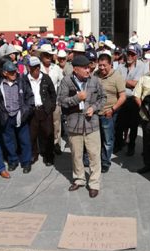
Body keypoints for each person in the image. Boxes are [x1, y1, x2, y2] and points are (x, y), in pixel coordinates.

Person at [57, 55, 106, 198]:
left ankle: (94, 183)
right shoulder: (66, 81)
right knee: (76, 155)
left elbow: (103, 98)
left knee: (94, 155)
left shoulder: (95, 80)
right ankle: (79, 179)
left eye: (89, 67)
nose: (88, 70)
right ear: (76, 69)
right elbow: (61, 101)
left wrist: (94, 108)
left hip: (92, 124)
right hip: (74, 124)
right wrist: (77, 98)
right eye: (84, 68)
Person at [0, 61, 33, 174]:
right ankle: (13, 161)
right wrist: (0, 112)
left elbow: (30, 97)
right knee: (8, 141)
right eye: (11, 72)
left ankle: (26, 162)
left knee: (24, 140)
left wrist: (25, 111)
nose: (14, 74)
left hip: (20, 115)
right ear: (5, 73)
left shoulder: (22, 82)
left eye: (14, 72)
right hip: (6, 116)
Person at [94, 53, 126, 173]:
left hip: (109, 113)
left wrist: (112, 110)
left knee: (108, 139)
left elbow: (122, 97)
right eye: (100, 65)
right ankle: (96, 159)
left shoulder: (117, 76)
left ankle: (105, 162)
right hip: (96, 112)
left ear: (110, 64)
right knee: (97, 138)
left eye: (104, 65)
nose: (101, 68)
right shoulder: (95, 75)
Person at [26, 56, 56, 166]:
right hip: (32, 110)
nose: (36, 69)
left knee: (48, 133)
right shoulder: (25, 79)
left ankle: (48, 155)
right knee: (32, 135)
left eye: (37, 67)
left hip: (45, 109)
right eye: (33, 67)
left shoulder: (46, 78)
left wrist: (51, 106)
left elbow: (53, 93)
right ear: (29, 67)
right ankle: (34, 154)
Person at [116, 45, 146, 156]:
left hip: (134, 100)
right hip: (122, 98)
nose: (129, 56)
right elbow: (117, 82)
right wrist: (129, 82)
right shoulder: (120, 66)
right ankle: (119, 144)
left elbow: (137, 84)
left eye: (132, 54)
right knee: (120, 124)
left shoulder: (141, 66)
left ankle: (131, 146)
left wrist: (123, 82)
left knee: (133, 125)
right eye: (128, 53)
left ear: (136, 56)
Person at [38, 44, 64, 155]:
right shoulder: (37, 67)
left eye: (50, 55)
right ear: (42, 55)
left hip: (55, 100)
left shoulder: (56, 68)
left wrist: (59, 99)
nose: (49, 57)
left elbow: (61, 84)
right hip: (40, 101)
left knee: (56, 124)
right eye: (46, 55)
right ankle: (44, 146)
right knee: (42, 124)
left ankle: (56, 144)